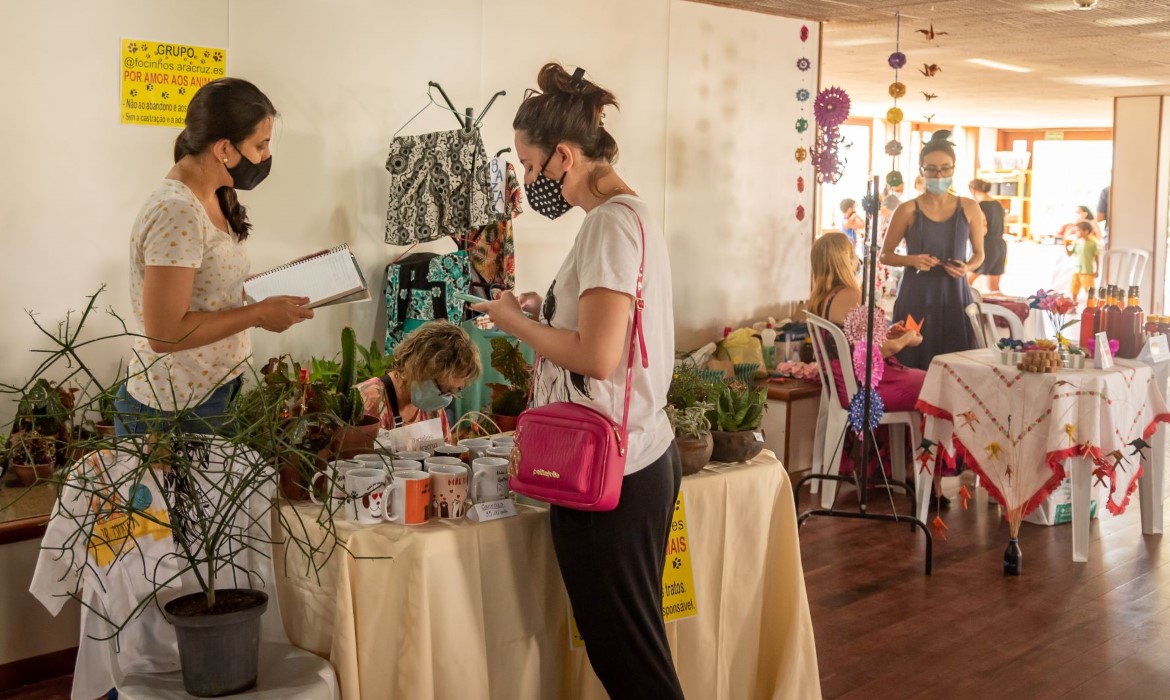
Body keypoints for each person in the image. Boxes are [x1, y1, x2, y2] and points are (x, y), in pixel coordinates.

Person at [474, 63, 684, 699]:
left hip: (610, 472)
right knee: (630, 651)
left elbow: (596, 357)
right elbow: (608, 336)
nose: (530, 183)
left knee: (631, 664)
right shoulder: (631, 216)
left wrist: (513, 322)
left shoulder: (608, 225)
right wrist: (547, 314)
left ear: (565, 156)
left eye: (531, 167)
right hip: (638, 456)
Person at [115, 78, 314, 436]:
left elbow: (210, 288)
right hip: (174, 405)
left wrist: (298, 276)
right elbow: (165, 334)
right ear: (224, 148)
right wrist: (257, 314)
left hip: (213, 388)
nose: (267, 156)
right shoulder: (177, 212)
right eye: (260, 145)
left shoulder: (215, 192)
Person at [880, 130, 986, 371]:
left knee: (956, 366)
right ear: (921, 171)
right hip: (916, 296)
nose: (939, 175)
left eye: (945, 168)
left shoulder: (969, 208)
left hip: (955, 296)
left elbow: (980, 254)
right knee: (913, 364)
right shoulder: (907, 209)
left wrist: (967, 267)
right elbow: (885, 255)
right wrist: (912, 260)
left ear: (954, 169)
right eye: (931, 169)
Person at [809, 233, 926, 412]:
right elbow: (874, 352)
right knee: (937, 384)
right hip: (868, 388)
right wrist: (907, 339)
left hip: (846, 388)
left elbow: (854, 343)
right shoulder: (850, 295)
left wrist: (887, 333)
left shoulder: (820, 300)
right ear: (846, 260)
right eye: (853, 254)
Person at [355, 321, 481, 431]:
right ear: (418, 367)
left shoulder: (434, 406)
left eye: (454, 391)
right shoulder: (368, 401)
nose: (447, 399)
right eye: (444, 390)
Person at [967, 179, 1007, 293]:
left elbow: (981, 230)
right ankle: (1001, 310)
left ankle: (963, 309)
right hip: (1000, 246)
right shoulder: (998, 205)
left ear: (973, 191)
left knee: (966, 282)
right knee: (994, 288)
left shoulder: (978, 206)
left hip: (986, 245)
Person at [1065, 220, 1100, 302]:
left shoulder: (1093, 243)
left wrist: (1097, 270)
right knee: (1074, 289)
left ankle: (1092, 305)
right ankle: (1074, 303)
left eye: (1078, 231)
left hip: (1087, 271)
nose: (1076, 233)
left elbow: (1096, 257)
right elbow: (1070, 254)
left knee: (1090, 290)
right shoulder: (1077, 242)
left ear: (1086, 231)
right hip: (1077, 270)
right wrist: (1066, 246)